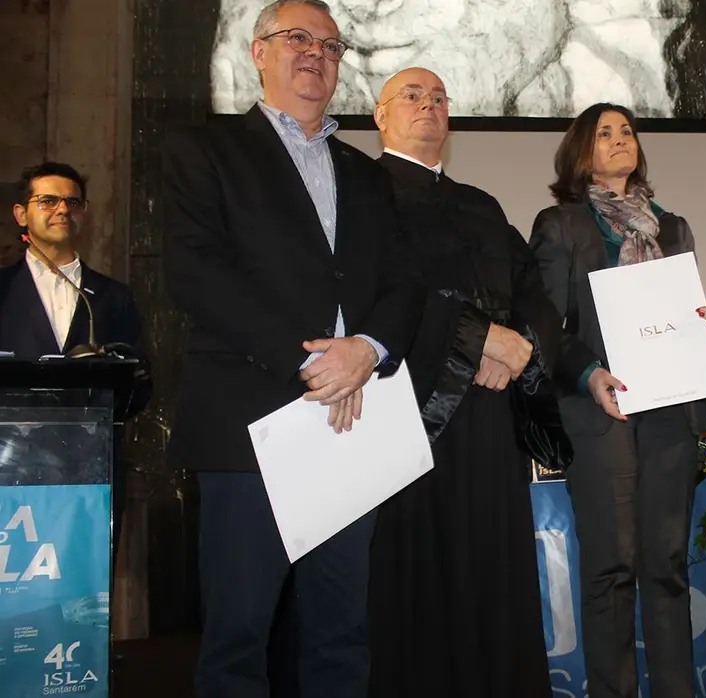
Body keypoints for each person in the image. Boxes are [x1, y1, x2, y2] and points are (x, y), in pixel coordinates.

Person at [161, 2, 419, 696]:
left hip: (352, 424)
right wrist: (311, 362)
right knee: (238, 639)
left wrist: (365, 349)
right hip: (250, 426)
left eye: (331, 46)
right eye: (297, 39)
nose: (315, 53)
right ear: (258, 52)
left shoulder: (367, 175)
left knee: (342, 636)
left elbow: (401, 282)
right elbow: (195, 274)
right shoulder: (205, 150)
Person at [366, 66, 564, 697]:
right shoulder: (362, 192)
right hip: (408, 411)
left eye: (440, 98)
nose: (429, 106)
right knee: (413, 575)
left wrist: (517, 346)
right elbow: (383, 291)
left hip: (487, 419)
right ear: (381, 115)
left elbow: (529, 290)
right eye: (412, 96)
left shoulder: (482, 205)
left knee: (491, 570)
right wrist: (474, 339)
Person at [529, 102, 706, 698]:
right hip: (600, 413)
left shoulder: (674, 227)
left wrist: (704, 320)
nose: (619, 139)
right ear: (581, 151)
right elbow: (542, 323)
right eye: (604, 132)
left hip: (670, 410)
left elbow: (681, 308)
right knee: (612, 569)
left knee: (666, 567)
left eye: (627, 131)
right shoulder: (562, 224)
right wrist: (587, 372)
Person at [1, 161, 152, 555]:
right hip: (10, 470)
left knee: (82, 596)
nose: (62, 210)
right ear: (22, 213)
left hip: (89, 474)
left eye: (73, 202)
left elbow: (140, 383)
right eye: (47, 200)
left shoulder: (113, 297)